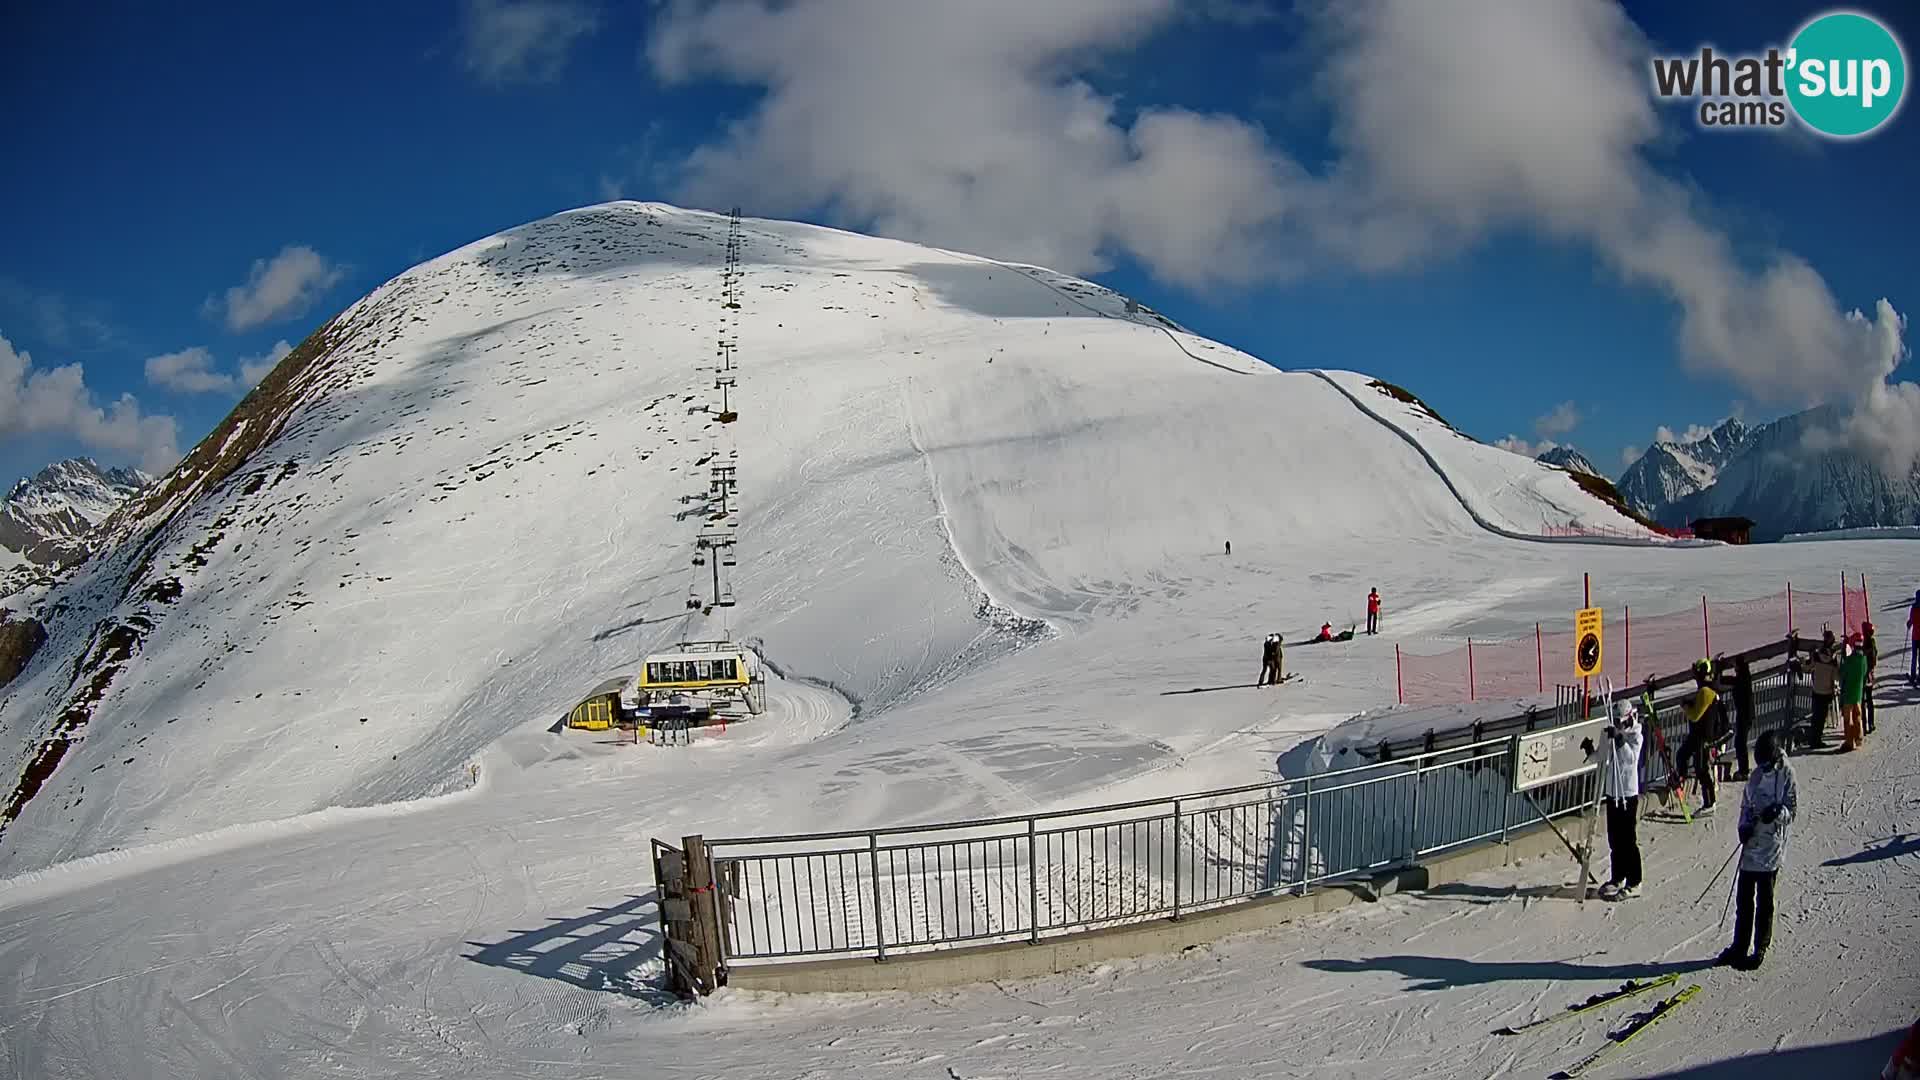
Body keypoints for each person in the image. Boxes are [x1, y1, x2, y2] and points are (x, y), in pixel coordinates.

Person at [1719, 730, 1796, 971]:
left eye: (1765, 764)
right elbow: (1745, 805)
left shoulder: (1787, 775)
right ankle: (1739, 945)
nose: (1762, 768)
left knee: (1765, 901)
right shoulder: (1755, 776)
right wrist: (1743, 827)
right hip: (1752, 846)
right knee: (1743, 900)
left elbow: (1792, 810)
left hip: (1771, 847)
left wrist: (1777, 813)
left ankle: (1760, 946)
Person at [1598, 699, 1644, 900]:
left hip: (1627, 793)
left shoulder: (1636, 737)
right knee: (1614, 839)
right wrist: (1591, 751)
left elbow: (1630, 759)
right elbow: (1603, 757)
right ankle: (1618, 876)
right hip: (1613, 792)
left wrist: (1620, 740)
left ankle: (1635, 882)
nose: (1618, 725)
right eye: (1615, 722)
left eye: (1621, 722)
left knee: (1628, 840)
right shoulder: (1612, 734)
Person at [1676, 660, 1721, 813]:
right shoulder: (1709, 689)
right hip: (1699, 735)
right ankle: (1681, 778)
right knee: (1682, 755)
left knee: (1701, 769)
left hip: (1702, 737)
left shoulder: (1706, 692)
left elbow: (1695, 715)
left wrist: (1686, 707)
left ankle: (1709, 803)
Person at [1806, 631, 1840, 750]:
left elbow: (1809, 667)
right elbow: (1836, 677)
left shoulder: (1817, 655)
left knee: (1815, 716)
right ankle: (1817, 740)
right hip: (1826, 692)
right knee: (1821, 717)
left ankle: (1813, 739)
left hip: (1816, 690)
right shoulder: (1833, 659)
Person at [1839, 633, 1869, 752]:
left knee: (1848, 719)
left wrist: (1843, 658)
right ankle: (1859, 737)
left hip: (1848, 692)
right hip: (1858, 692)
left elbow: (1842, 673)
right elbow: (1865, 672)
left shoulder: (1850, 660)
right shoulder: (1864, 659)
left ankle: (1849, 741)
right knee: (1857, 715)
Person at [1730, 654, 1756, 780]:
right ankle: (1743, 768)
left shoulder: (1742, 679)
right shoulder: (1744, 676)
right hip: (1746, 714)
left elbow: (1731, 681)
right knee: (1740, 742)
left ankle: (1744, 770)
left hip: (1744, 715)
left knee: (1740, 743)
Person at [1863, 620, 1879, 736]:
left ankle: (1865, 724)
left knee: (1864, 700)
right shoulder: (1871, 643)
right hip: (1869, 675)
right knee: (1869, 700)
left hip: (1864, 675)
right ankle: (1870, 723)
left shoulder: (1867, 644)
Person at [1909, 590, 1920, 686]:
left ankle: (1913, 676)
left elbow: (1911, 620)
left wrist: (1909, 624)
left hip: (1915, 636)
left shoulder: (1914, 608)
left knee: (1914, 657)